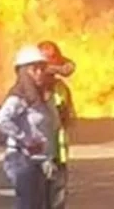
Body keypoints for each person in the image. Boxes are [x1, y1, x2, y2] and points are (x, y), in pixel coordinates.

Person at [0, 45, 60, 209]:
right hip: (22, 160)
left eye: (41, 68)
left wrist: (48, 157)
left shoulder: (42, 95)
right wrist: (25, 139)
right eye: (34, 69)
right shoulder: (19, 96)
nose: (39, 73)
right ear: (23, 71)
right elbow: (1, 120)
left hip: (39, 161)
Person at [37, 41, 75, 209]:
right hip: (35, 156)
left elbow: (70, 117)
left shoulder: (61, 89)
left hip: (58, 155)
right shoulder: (29, 89)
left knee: (57, 200)